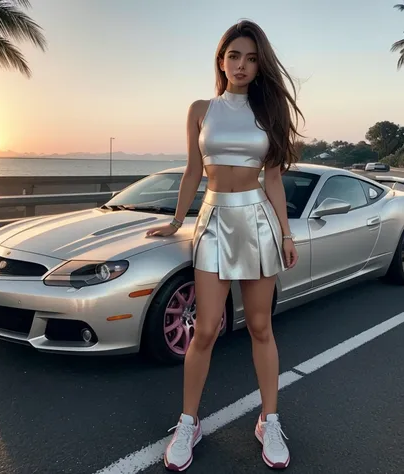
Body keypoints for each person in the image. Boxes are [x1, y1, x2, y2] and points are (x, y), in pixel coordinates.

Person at [146, 19, 302, 471]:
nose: (242, 65)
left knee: (260, 327)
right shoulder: (200, 109)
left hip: (258, 219)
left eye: (252, 58)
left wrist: (286, 233)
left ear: (260, 65)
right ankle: (188, 422)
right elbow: (193, 170)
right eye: (234, 55)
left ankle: (268, 420)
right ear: (220, 59)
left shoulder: (269, 112)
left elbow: (272, 178)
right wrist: (176, 220)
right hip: (213, 220)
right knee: (207, 328)